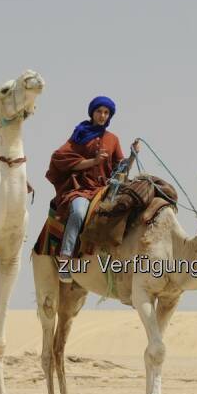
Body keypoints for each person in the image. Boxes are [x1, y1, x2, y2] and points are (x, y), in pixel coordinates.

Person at [46, 96, 134, 282]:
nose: (102, 115)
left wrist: (133, 157)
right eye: (99, 111)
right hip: (82, 189)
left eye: (106, 113)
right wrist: (93, 162)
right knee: (78, 213)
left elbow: (122, 169)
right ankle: (65, 259)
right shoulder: (79, 135)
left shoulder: (113, 139)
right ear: (92, 113)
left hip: (105, 189)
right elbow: (61, 159)